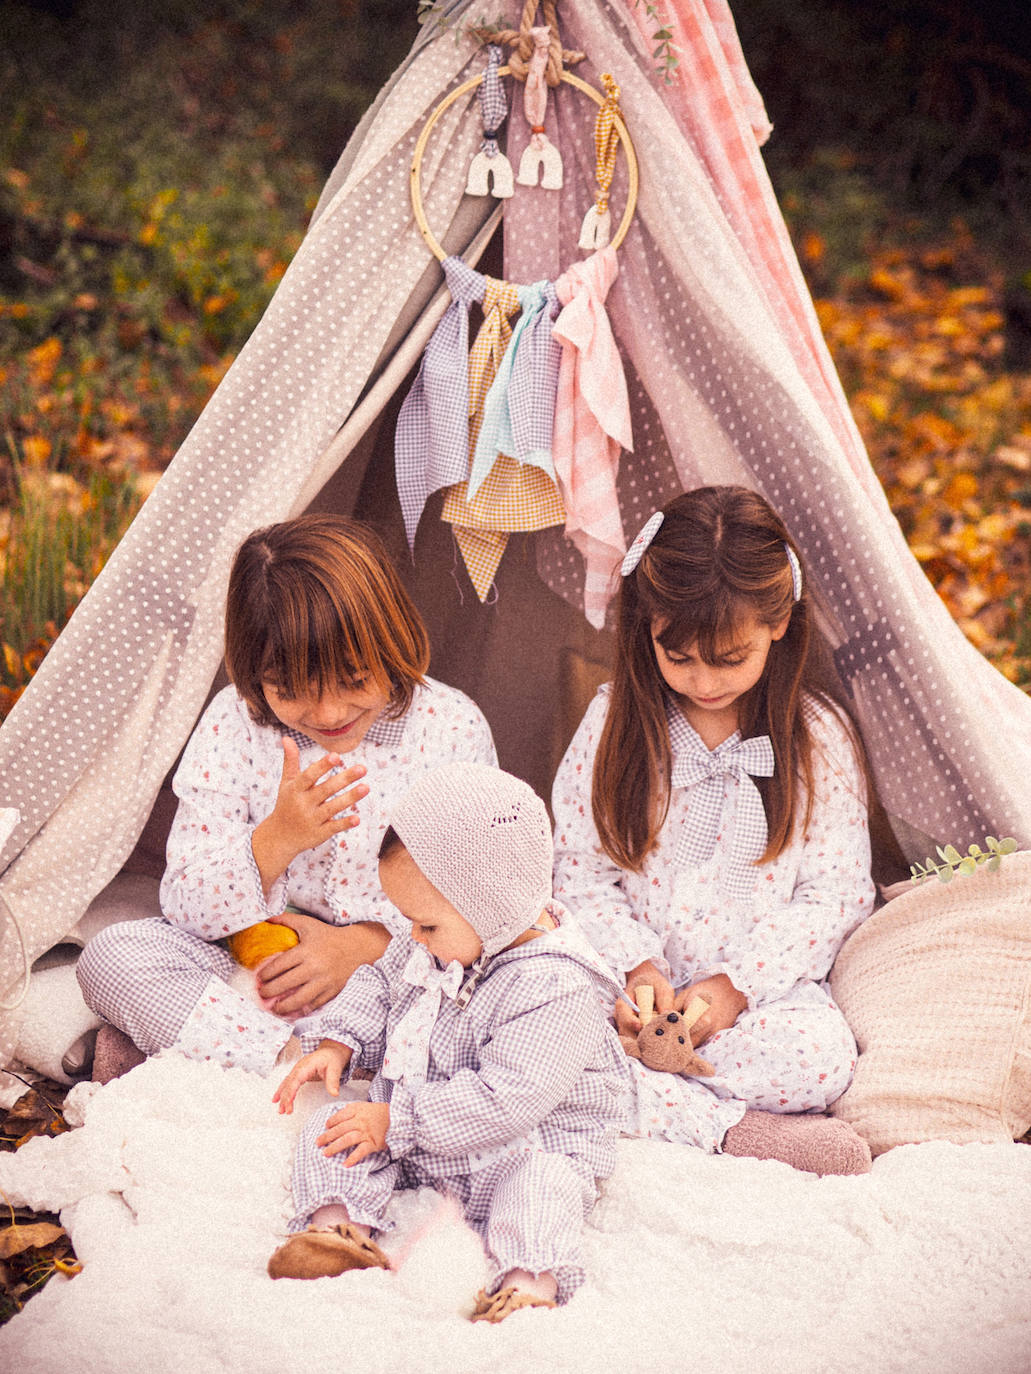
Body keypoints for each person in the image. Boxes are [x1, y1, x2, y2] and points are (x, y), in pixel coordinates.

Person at [76, 514, 496, 1076]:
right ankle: (289, 1065)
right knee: (112, 958)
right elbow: (185, 902)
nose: (328, 714)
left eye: (353, 681)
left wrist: (359, 950)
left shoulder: (451, 728)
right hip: (258, 979)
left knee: (489, 1003)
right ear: (254, 672)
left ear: (392, 639)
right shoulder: (236, 725)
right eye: (293, 691)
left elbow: (484, 902)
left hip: (399, 977)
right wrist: (275, 841)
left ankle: (280, 1068)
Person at [552, 486, 876, 1175]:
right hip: (628, 998)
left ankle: (638, 1094)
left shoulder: (815, 739)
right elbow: (579, 874)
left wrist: (733, 988)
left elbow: (835, 895)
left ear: (780, 623)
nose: (702, 681)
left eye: (728, 659)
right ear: (646, 629)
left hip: (760, 999)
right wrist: (636, 970)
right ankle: (736, 1130)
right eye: (680, 658)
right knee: (538, 1017)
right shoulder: (614, 726)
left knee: (817, 1059)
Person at [267, 762, 630, 1323]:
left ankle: (526, 1281)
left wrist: (395, 1121)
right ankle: (337, 1230)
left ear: (494, 906)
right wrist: (340, 1043)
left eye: (427, 924)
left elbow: (508, 1100)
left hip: (519, 1147)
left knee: (545, 1187)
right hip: (419, 1133)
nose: (412, 936)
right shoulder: (434, 940)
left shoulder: (557, 987)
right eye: (410, 920)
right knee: (330, 1128)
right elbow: (377, 983)